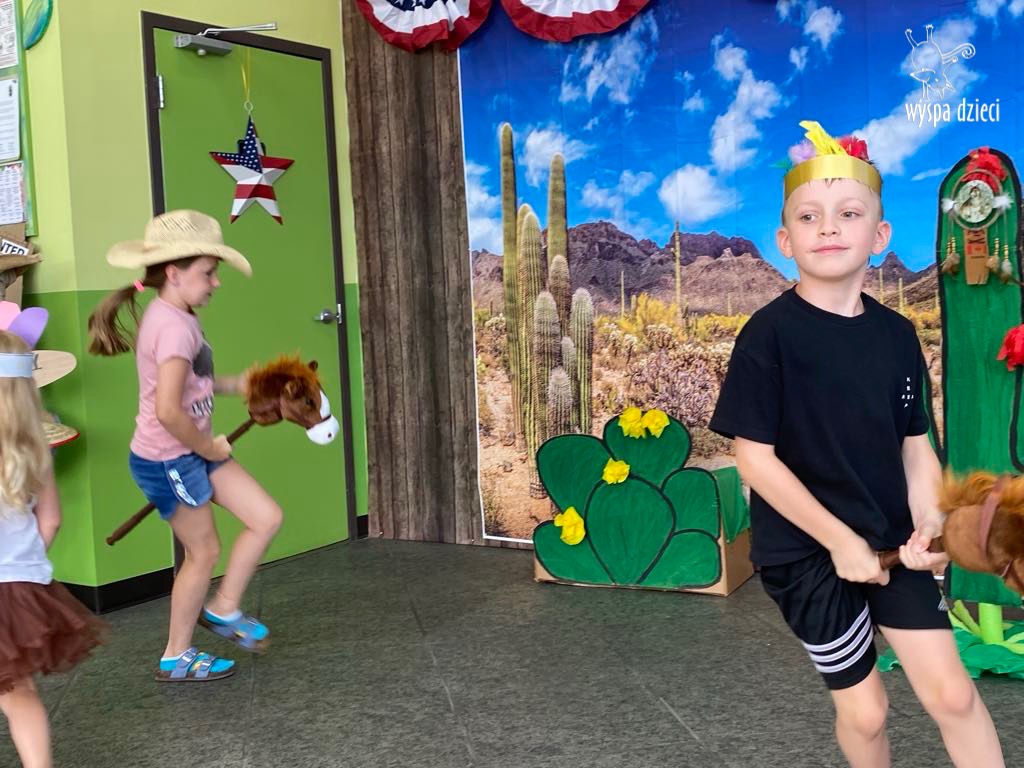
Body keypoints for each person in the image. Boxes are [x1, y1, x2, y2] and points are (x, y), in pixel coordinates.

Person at [709, 121, 1004, 767]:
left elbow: (914, 443)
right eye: (808, 217)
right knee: (866, 712)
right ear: (786, 241)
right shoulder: (767, 336)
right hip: (805, 555)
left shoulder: (898, 336)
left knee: (954, 695)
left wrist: (929, 523)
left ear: (880, 236)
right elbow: (754, 459)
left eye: (848, 213)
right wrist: (841, 542)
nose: (828, 228)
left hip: (892, 538)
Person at [88, 210, 281, 682]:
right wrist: (209, 449)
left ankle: (224, 608)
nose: (216, 282)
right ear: (174, 273)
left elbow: (194, 385)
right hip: (169, 458)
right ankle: (176, 655)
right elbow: (168, 412)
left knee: (265, 517)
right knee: (204, 552)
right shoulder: (173, 328)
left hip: (192, 449)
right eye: (208, 273)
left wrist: (240, 383)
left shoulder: (179, 315)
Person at [0, 330, 105, 767]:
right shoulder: (35, 447)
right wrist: (26, 564)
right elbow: (52, 519)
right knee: (18, 690)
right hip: (19, 589)